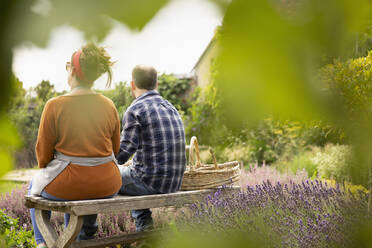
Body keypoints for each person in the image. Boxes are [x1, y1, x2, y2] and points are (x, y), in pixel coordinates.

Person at [28, 43, 122, 248]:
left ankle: (43, 243)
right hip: (108, 183)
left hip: (69, 185)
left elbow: (43, 156)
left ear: (73, 70)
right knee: (83, 185)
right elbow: (115, 150)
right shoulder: (109, 105)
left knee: (33, 185)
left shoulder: (55, 105)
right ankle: (83, 238)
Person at [116, 65, 186, 232]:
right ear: (157, 84)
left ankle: (145, 233)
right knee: (132, 172)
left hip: (150, 182)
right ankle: (145, 233)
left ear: (132, 85)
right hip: (174, 182)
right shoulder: (171, 107)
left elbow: (121, 154)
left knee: (105, 175)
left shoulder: (135, 109)